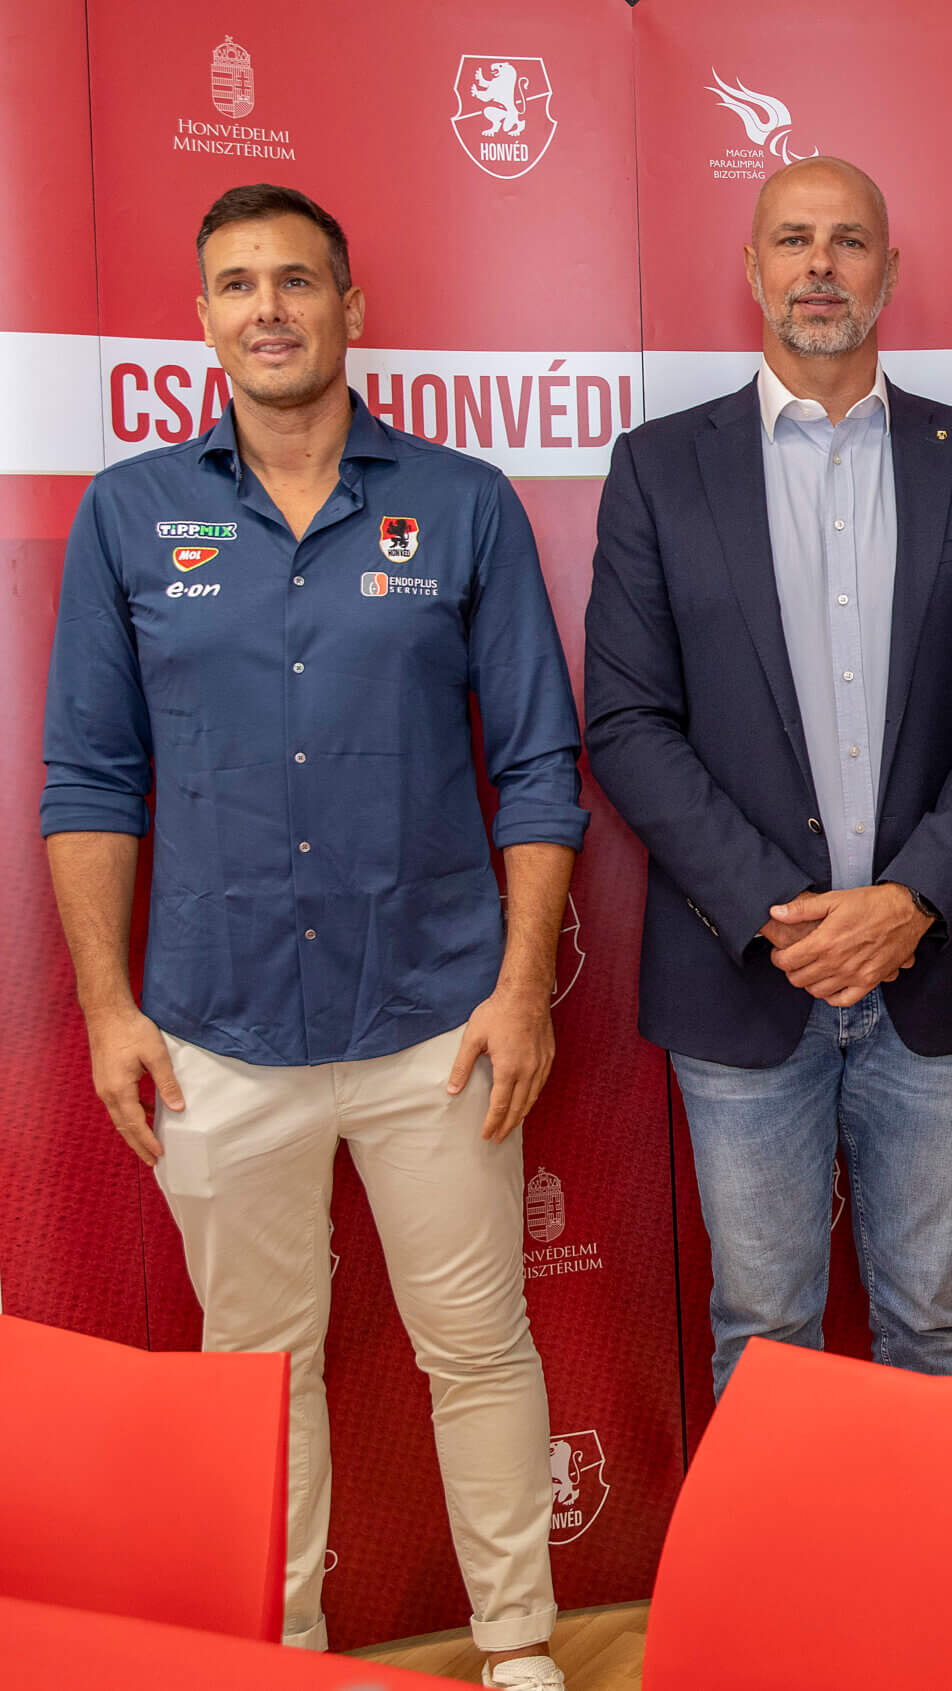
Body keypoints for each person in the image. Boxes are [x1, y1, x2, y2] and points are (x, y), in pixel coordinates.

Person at [41, 184, 583, 1688]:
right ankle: (281, 1655)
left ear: (352, 306)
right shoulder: (128, 512)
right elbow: (89, 780)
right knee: (256, 1370)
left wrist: (521, 988)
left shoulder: (464, 501)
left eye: (295, 280)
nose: (267, 308)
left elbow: (541, 764)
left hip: (437, 1023)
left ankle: (519, 1645)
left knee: (478, 1348)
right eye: (236, 284)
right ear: (203, 318)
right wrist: (108, 1008)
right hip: (215, 1033)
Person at [585, 157, 952, 1394]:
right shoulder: (659, 467)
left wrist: (910, 899)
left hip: (931, 968)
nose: (821, 266)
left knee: (932, 1326)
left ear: (889, 270)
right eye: (793, 239)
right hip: (746, 971)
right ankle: (777, 1546)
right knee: (763, 1334)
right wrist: (781, 913)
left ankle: (927, 1545)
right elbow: (626, 719)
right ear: (753, 268)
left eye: (849, 241)